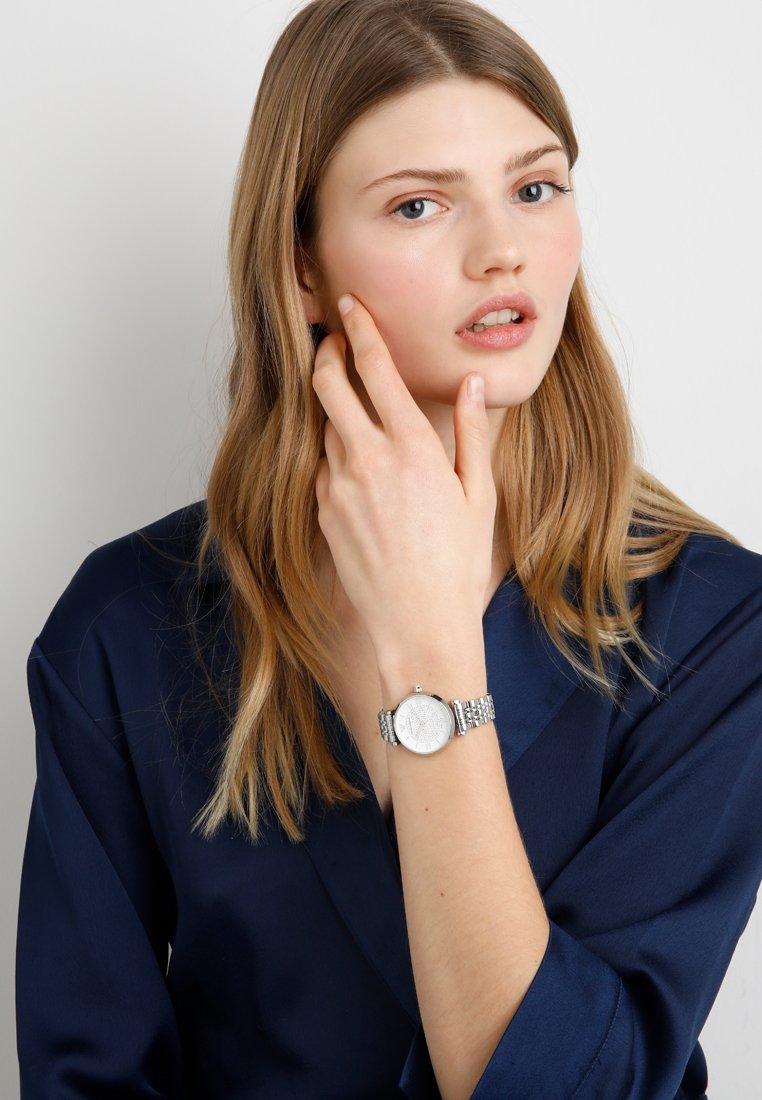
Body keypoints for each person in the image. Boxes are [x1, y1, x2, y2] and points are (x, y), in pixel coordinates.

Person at [15, 0, 762, 1096]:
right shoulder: (124, 626)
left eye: (536, 187)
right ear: (303, 266)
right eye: (419, 204)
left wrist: (429, 643)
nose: (501, 249)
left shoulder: (714, 623)